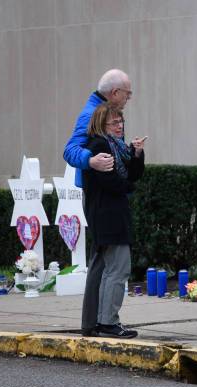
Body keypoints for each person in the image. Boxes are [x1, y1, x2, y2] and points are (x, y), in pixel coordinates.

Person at [82, 103, 147, 339]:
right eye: (115, 123)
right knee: (118, 270)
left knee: (112, 270)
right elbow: (113, 183)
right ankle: (108, 322)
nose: (120, 126)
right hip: (106, 215)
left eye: (121, 122)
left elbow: (132, 173)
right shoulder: (100, 145)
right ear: (102, 125)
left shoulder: (117, 147)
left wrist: (137, 153)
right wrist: (129, 186)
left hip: (112, 214)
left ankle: (103, 321)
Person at [63, 69, 133, 188]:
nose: (129, 98)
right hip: (100, 197)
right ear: (115, 92)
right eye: (128, 94)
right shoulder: (92, 115)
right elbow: (69, 151)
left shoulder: (107, 112)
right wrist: (90, 161)